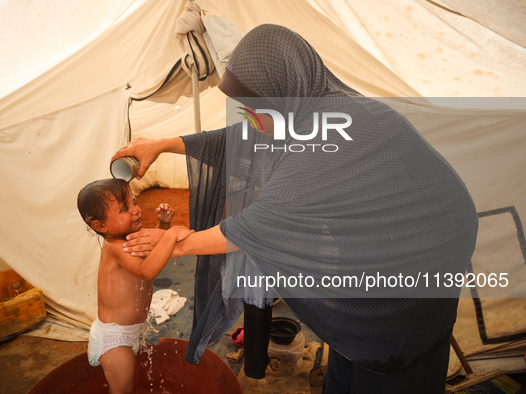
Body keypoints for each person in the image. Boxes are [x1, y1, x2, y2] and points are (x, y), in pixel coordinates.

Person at [111, 24, 478, 393]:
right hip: (386, 238)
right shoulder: (309, 110)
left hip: (425, 254)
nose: (251, 121)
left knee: (391, 355)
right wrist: (161, 144)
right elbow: (243, 139)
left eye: (258, 110)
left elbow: (257, 226)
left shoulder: (330, 134)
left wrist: (177, 241)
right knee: (352, 344)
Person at [77, 178, 191, 394]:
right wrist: (172, 234)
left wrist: (162, 227)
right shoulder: (115, 247)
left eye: (134, 202)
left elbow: (149, 251)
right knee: (121, 389)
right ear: (100, 226)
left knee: (127, 386)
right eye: (124, 209)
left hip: (129, 331)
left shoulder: (130, 238)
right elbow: (146, 270)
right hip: (115, 338)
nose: (136, 210)